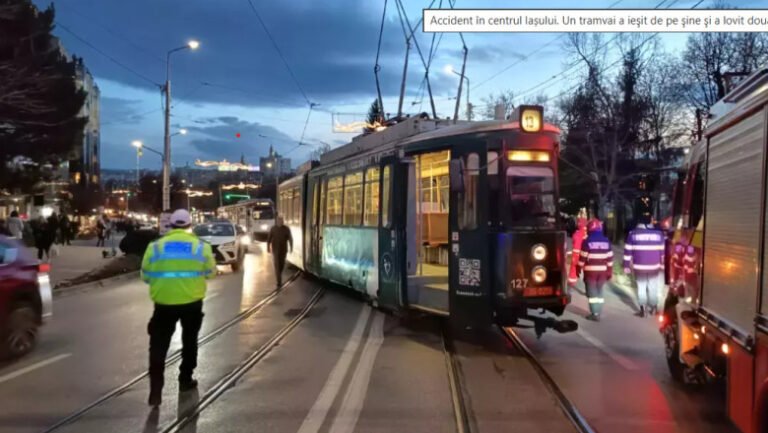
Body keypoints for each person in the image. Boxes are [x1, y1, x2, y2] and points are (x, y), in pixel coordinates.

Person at [141, 209, 216, 407]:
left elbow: (145, 276)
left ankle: (155, 391)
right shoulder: (201, 247)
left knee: (158, 347)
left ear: (171, 225)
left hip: (163, 305)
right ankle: (185, 379)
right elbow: (210, 273)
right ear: (189, 225)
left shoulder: (155, 247)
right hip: (192, 303)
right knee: (189, 342)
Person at [624, 215, 666, 318]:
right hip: (654, 267)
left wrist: (626, 266)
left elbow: (627, 252)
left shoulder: (632, 234)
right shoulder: (659, 235)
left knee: (641, 288)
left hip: (639, 267)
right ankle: (654, 308)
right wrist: (662, 265)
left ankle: (643, 310)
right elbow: (662, 252)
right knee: (653, 287)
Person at [577, 219, 613, 322]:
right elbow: (610, 258)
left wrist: (579, 268)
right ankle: (599, 312)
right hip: (603, 271)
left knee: (592, 293)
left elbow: (582, 257)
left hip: (590, 271)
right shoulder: (606, 241)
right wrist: (609, 271)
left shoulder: (587, 241)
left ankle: (595, 314)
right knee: (600, 291)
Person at [267, 215, 293, 288]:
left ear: (283, 221)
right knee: (277, 265)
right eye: (279, 220)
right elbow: (269, 239)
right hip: (275, 250)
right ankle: (279, 281)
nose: (280, 222)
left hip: (283, 250)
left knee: (282, 264)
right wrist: (268, 248)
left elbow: (290, 238)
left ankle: (279, 275)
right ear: (276, 221)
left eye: (281, 220)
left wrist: (291, 247)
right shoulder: (273, 229)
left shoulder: (286, 229)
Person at [567, 216, 588, 287]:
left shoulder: (576, 234)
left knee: (573, 268)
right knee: (586, 269)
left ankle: (571, 282)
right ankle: (588, 283)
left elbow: (574, 243)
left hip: (576, 254)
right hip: (585, 254)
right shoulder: (587, 234)